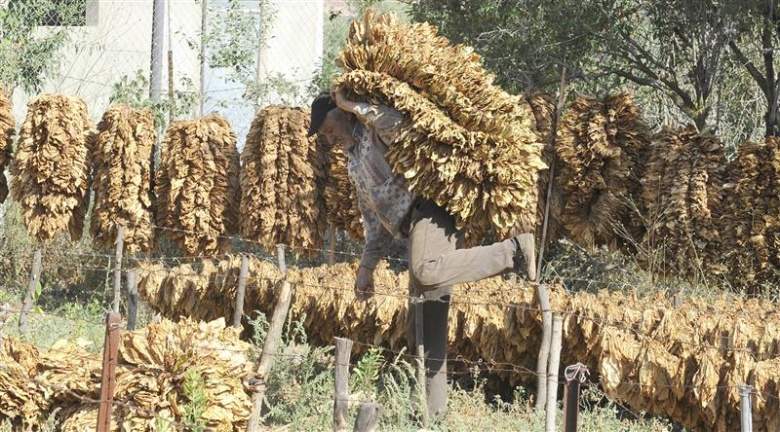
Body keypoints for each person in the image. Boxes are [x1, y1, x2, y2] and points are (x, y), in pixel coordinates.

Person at [309, 89, 536, 419]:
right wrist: (366, 268)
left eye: (328, 126)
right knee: (423, 327)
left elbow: (399, 125)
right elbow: (372, 220)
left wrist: (353, 104)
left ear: (342, 114)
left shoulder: (374, 131)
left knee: (426, 270)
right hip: (410, 226)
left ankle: (514, 251)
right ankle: (433, 415)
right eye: (322, 134)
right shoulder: (354, 162)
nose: (327, 137)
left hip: (431, 209)